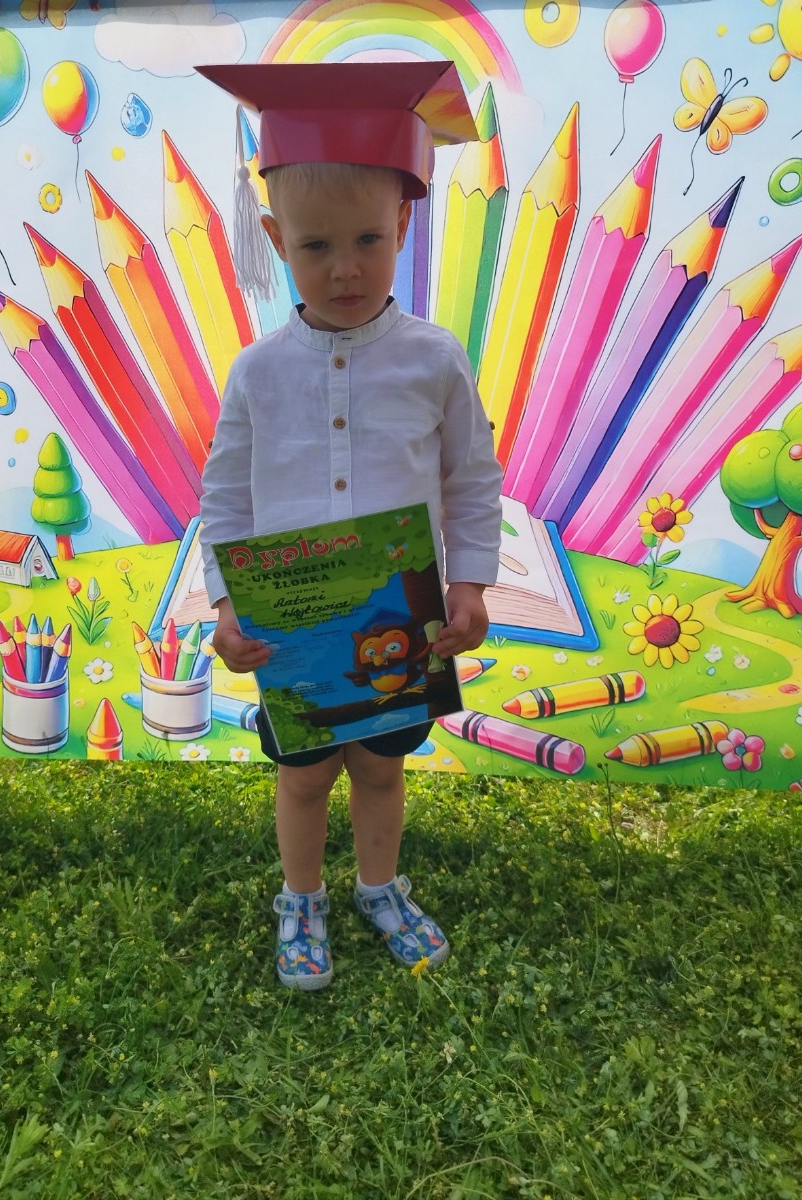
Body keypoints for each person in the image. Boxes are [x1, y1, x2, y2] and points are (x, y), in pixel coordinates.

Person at [195, 61, 503, 991]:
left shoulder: (433, 360)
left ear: (403, 223)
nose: (344, 267)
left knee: (379, 768)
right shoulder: (257, 373)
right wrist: (226, 606)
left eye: (368, 238)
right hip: (291, 631)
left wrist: (469, 584)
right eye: (315, 244)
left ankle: (379, 886)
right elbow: (225, 498)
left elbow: (470, 479)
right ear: (274, 238)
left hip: (401, 622)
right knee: (302, 776)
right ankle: (301, 901)